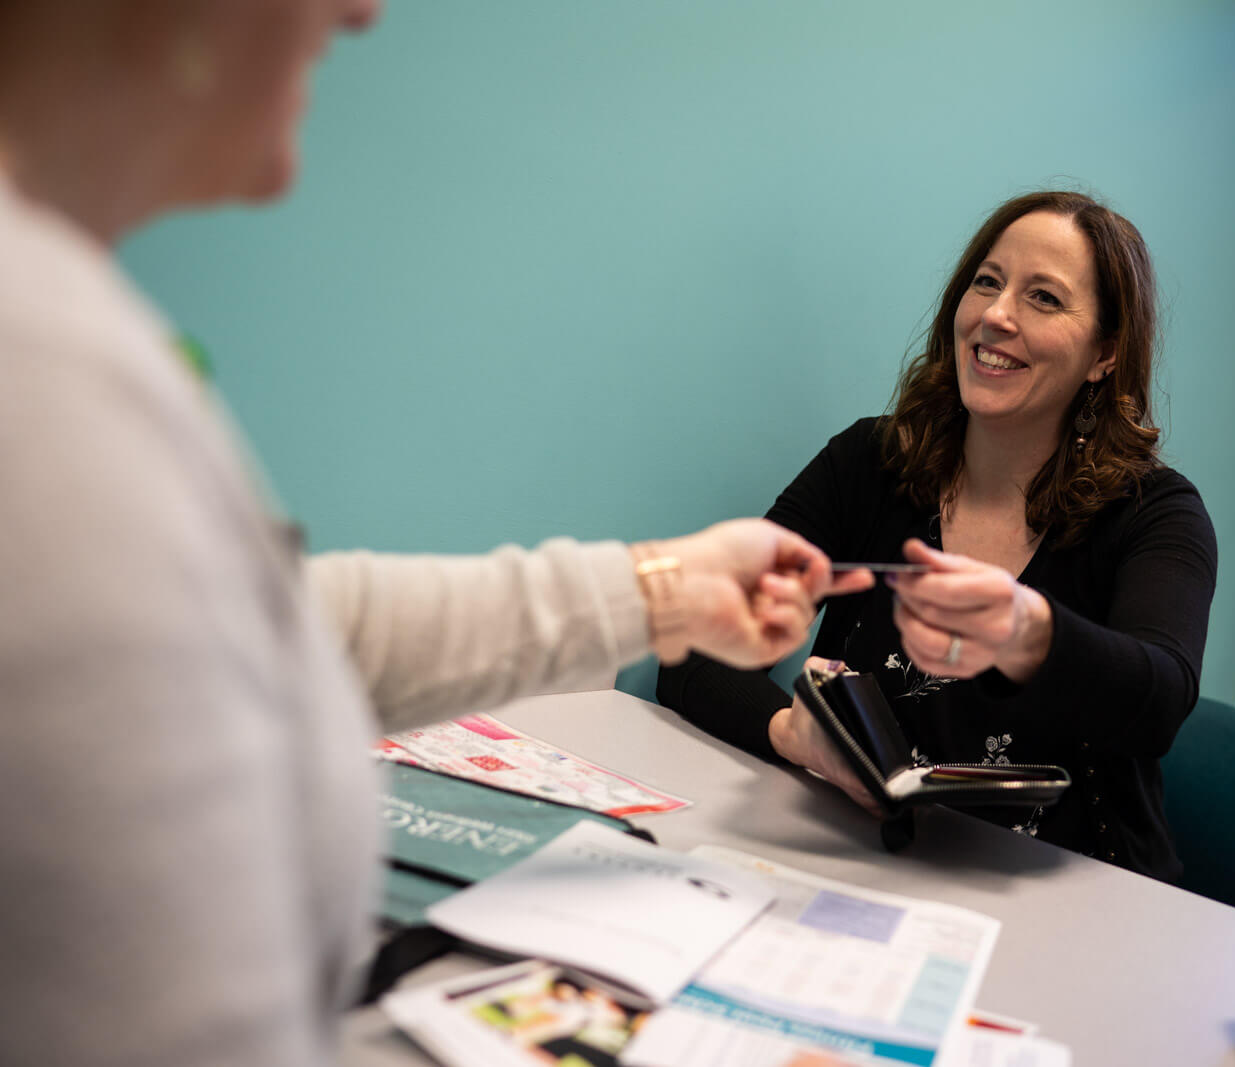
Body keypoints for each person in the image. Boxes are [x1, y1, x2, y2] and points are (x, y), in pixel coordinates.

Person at [0, 3, 869, 1065]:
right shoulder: (36, 372)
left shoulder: (58, 325)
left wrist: (665, 588)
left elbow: (271, 632)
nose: (361, 12)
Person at [659, 190, 1218, 881]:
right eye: (987, 282)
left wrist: (1029, 634)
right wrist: (793, 738)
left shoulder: (1156, 512)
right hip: (859, 859)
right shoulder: (870, 462)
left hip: (1057, 896)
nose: (996, 315)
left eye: (1043, 298)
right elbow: (696, 644)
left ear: (1105, 353)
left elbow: (1158, 702)